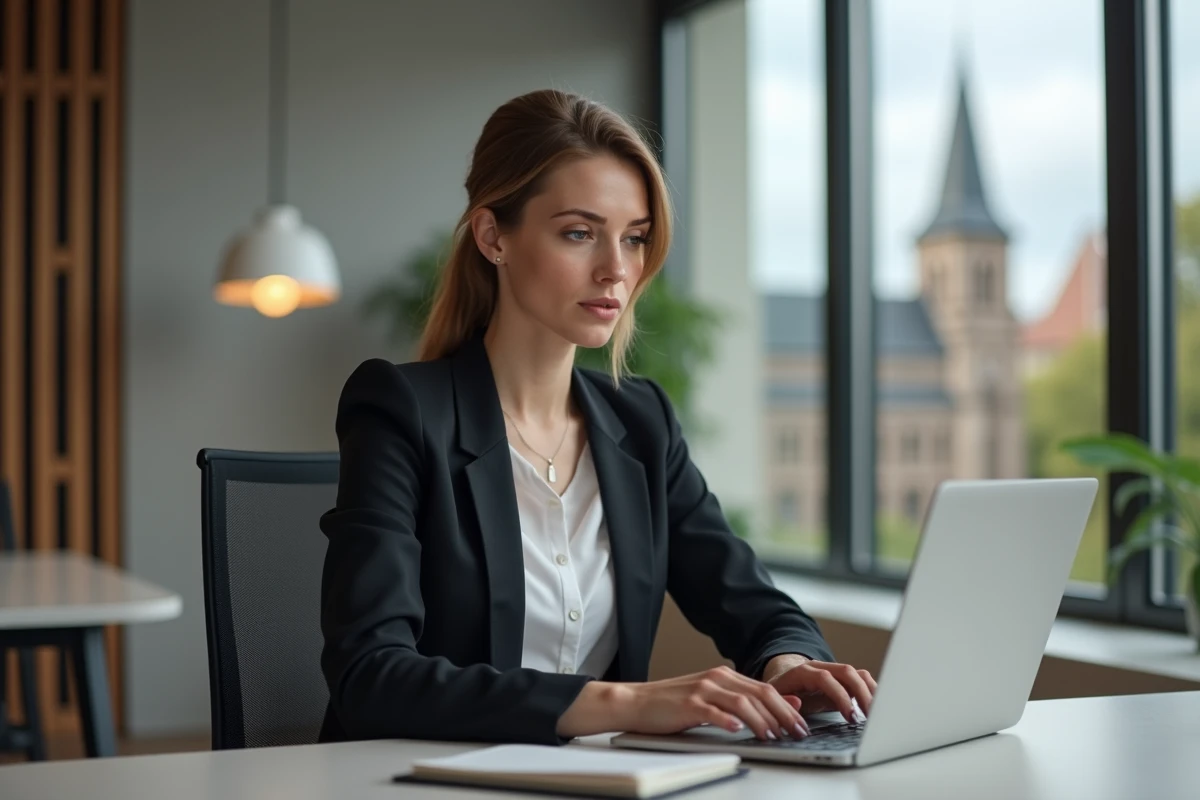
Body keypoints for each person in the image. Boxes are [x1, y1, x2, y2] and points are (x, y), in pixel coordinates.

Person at [317, 89, 876, 747]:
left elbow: (752, 602)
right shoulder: (401, 411)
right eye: (579, 233)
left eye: (634, 239)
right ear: (494, 236)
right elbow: (371, 677)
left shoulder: (642, 424)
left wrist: (790, 662)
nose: (616, 270)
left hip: (598, 783)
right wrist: (626, 702)